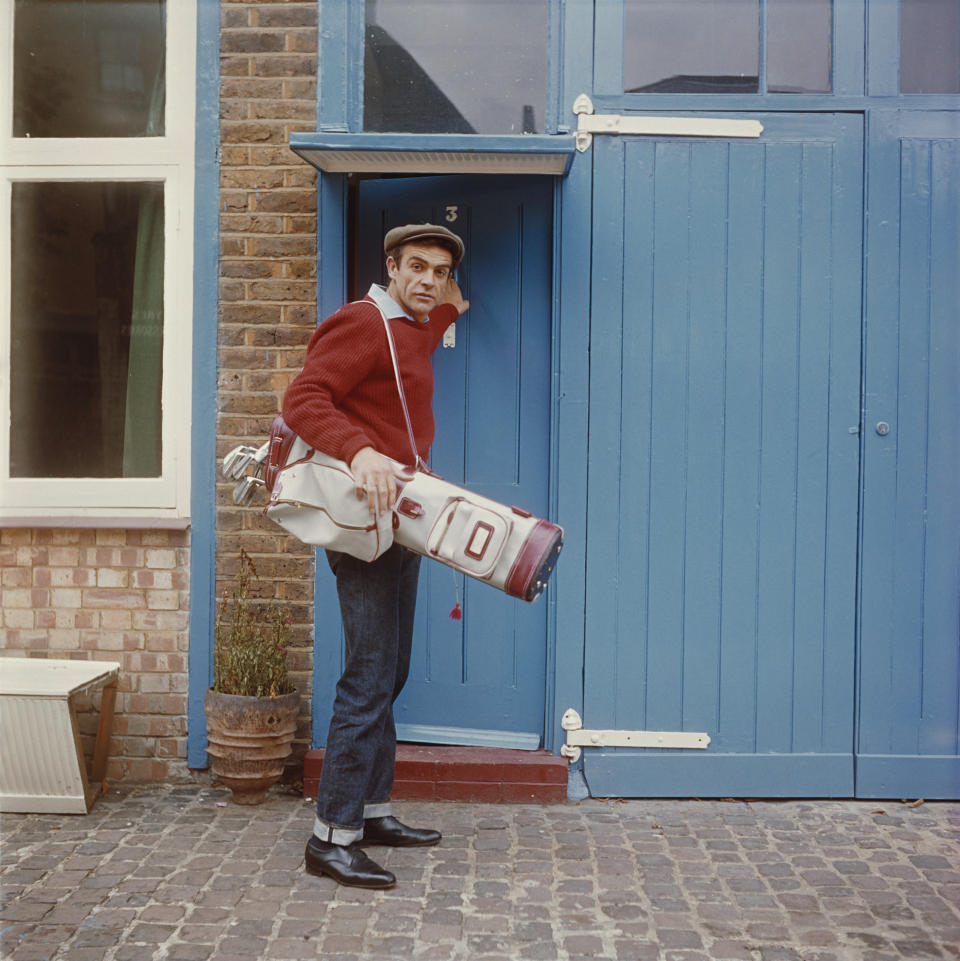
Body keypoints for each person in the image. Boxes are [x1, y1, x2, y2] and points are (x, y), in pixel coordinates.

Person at [282, 223, 469, 889]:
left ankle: (373, 809)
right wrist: (358, 450)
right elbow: (303, 397)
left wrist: (448, 299)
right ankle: (331, 835)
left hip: (404, 518)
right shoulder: (363, 322)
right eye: (415, 266)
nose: (427, 279)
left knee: (392, 669)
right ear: (390, 265)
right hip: (364, 521)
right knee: (367, 674)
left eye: (439, 270)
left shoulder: (420, 320)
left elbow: (446, 306)